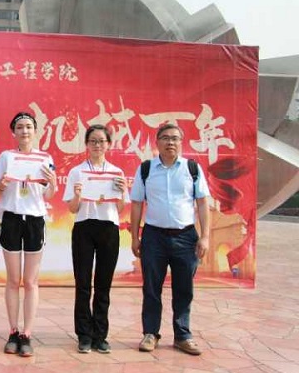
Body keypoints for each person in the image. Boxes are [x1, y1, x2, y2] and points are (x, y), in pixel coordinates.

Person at [130, 123, 210, 356]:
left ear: (181, 142)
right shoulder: (146, 169)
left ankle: (183, 335)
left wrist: (205, 237)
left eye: (175, 138)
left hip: (186, 237)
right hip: (153, 236)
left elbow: (202, 203)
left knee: (184, 288)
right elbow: (137, 204)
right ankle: (150, 333)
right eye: (165, 138)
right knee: (151, 287)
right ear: (157, 142)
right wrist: (135, 237)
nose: (170, 142)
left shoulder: (192, 169)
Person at [0, 112, 57, 357]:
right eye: (20, 127)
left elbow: (49, 195)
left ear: (35, 131)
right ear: (14, 132)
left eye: (29, 127)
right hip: (11, 218)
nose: (24, 131)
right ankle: (13, 331)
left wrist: (52, 183)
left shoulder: (45, 158)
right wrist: (2, 184)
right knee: (13, 279)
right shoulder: (6, 157)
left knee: (30, 281)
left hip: (34, 220)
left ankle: (27, 334)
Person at [63, 124, 129, 354]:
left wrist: (122, 192)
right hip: (84, 227)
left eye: (101, 141)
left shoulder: (117, 173)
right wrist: (78, 196)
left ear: (109, 144)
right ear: (86, 145)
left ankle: (100, 335)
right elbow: (72, 208)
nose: (97, 145)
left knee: (103, 284)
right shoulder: (77, 172)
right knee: (83, 283)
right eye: (93, 141)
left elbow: (120, 207)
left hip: (109, 228)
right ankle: (84, 334)